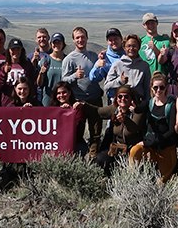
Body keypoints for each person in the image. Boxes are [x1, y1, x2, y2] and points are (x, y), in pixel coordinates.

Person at [128, 72, 178, 182]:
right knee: (135, 150)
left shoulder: (172, 105)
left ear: (167, 88)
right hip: (150, 148)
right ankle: (134, 180)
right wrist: (133, 109)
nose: (158, 90)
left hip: (166, 148)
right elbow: (138, 108)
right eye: (155, 87)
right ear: (151, 88)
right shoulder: (149, 103)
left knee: (162, 183)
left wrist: (151, 142)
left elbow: (171, 131)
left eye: (162, 87)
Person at [61, 27, 102, 157]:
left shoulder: (93, 56)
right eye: (77, 37)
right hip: (78, 101)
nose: (80, 40)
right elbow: (64, 80)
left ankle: (93, 159)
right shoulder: (69, 59)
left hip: (95, 99)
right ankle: (77, 158)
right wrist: (75, 76)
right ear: (73, 40)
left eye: (82, 37)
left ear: (87, 38)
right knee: (77, 132)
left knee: (95, 132)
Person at [94, 86, 145, 174]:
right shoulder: (115, 109)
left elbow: (133, 128)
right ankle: (107, 182)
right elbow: (98, 111)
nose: (123, 99)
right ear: (116, 99)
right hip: (117, 149)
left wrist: (125, 120)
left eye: (126, 96)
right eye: (120, 96)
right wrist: (82, 106)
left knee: (133, 171)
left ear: (131, 99)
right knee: (101, 159)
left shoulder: (138, 111)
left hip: (133, 149)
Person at [51, 82, 99, 155]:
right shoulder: (52, 109)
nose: (61, 95)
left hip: (75, 142)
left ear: (69, 92)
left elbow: (77, 129)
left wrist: (67, 113)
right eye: (58, 93)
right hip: (55, 143)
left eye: (64, 92)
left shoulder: (77, 108)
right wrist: (59, 111)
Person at [102, 33, 151, 104]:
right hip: (120, 104)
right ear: (124, 47)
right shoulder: (117, 65)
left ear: (139, 47)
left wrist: (145, 105)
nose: (131, 49)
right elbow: (106, 87)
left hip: (138, 104)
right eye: (128, 46)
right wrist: (120, 81)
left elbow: (147, 89)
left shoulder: (144, 66)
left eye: (134, 46)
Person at [0, 38, 37, 103]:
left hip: (24, 101)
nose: (15, 52)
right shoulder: (4, 66)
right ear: (9, 50)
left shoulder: (28, 65)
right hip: (8, 101)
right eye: (13, 49)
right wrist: (4, 72)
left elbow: (32, 84)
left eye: (18, 49)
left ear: (21, 50)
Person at [89, 27, 125, 100]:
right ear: (107, 42)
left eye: (115, 39)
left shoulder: (129, 54)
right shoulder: (105, 57)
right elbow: (93, 78)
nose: (113, 42)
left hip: (130, 96)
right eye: (110, 40)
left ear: (121, 39)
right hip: (114, 97)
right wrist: (97, 67)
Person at [138, 12, 171, 76]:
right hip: (144, 78)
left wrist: (155, 48)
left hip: (161, 78)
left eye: (153, 23)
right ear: (144, 25)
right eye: (148, 23)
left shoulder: (165, 41)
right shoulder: (139, 41)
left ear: (157, 23)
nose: (150, 26)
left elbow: (164, 60)